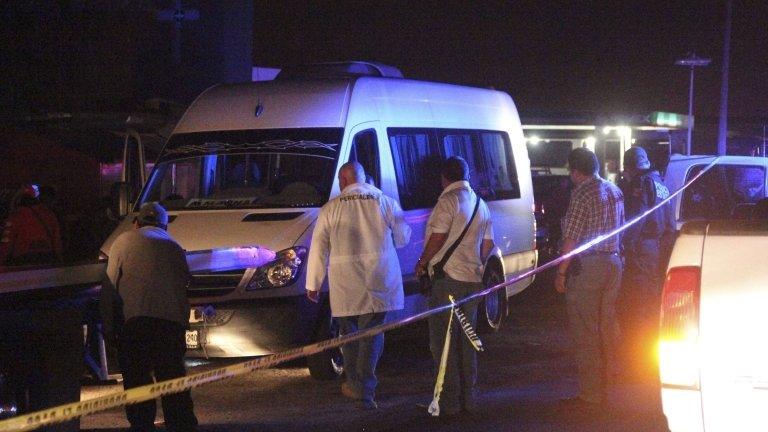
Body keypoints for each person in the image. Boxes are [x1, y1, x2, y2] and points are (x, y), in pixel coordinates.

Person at [305, 161, 411, 410]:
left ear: (343, 180)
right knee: (372, 333)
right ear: (362, 178)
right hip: (378, 279)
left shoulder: (330, 208)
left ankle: (354, 383)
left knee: (349, 336)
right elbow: (403, 237)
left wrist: (314, 283)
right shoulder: (384, 201)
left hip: (346, 284)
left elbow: (319, 248)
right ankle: (365, 386)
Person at [101, 202, 198, 431]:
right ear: (165, 226)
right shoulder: (174, 246)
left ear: (136, 223)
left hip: (135, 324)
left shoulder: (123, 241)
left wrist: (107, 326)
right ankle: (181, 424)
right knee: (173, 381)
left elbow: (109, 288)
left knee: (137, 382)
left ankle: (142, 424)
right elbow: (185, 286)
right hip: (170, 325)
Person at [415, 156, 494, 417]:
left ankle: (448, 403)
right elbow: (487, 246)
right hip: (472, 282)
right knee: (467, 342)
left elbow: (438, 237)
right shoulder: (481, 204)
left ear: (443, 177)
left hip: (447, 281)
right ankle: (469, 399)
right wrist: (475, 265)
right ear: (466, 174)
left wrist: (422, 261)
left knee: (444, 344)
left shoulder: (447, 200)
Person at [554, 147, 624, 412]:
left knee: (586, 331)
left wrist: (561, 271)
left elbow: (571, 236)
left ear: (575, 171)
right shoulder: (614, 190)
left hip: (590, 266)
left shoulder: (582, 193)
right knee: (607, 327)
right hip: (614, 263)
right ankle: (612, 385)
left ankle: (591, 394)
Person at [618, 146, 674, 379]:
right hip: (657, 250)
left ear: (630, 168)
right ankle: (651, 361)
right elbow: (670, 223)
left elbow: (636, 220)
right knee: (651, 306)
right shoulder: (661, 183)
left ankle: (636, 364)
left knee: (634, 307)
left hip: (641, 250)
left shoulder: (640, 185)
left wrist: (624, 244)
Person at [0, 183, 63, 266]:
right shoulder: (49, 215)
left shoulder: (16, 216)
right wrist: (60, 263)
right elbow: (57, 243)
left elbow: (6, 243)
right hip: (47, 259)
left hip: (23, 260)